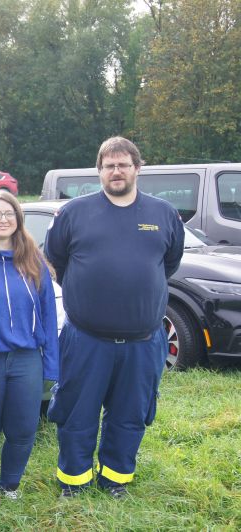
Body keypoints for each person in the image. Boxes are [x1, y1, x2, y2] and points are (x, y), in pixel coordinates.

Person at [45, 136, 184, 497]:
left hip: (143, 342)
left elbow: (168, 264)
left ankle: (115, 482)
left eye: (123, 164)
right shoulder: (74, 213)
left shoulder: (164, 214)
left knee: (130, 416)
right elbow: (55, 261)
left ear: (138, 169)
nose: (116, 171)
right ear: (99, 171)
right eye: (109, 166)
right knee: (77, 414)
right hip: (85, 339)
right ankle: (73, 483)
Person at [0, 190, 59, 506]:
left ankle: (10, 486)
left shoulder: (33, 261)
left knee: (23, 428)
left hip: (27, 360)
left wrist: (51, 366)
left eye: (9, 214)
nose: (3, 219)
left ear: (18, 219)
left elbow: (48, 313)